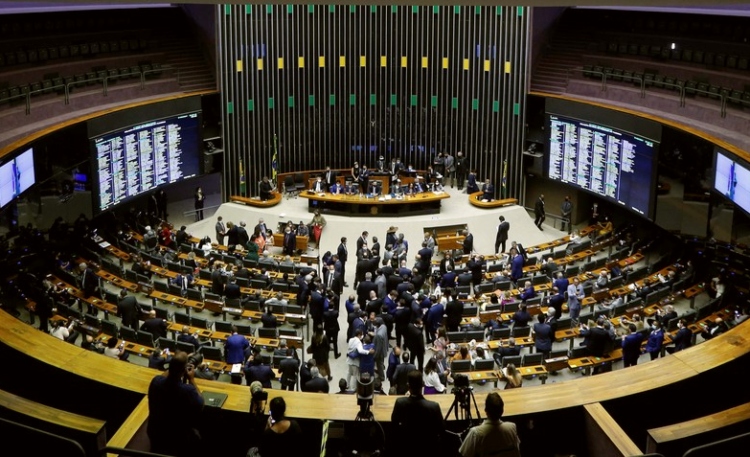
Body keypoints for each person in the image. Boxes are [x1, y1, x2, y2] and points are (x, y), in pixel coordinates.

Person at [147, 352, 203, 456]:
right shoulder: (187, 391)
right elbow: (201, 403)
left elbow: (165, 376)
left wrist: (176, 365)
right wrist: (191, 379)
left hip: (155, 431)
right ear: (183, 370)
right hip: (176, 438)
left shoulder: (155, 381)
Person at [390, 370, 444, 457]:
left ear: (408, 385)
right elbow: (441, 430)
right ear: (423, 384)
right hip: (428, 450)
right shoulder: (434, 407)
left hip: (406, 449)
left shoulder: (400, 403)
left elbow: (394, 425)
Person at [459, 392, 521, 457]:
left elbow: (463, 454)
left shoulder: (475, 433)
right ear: (502, 411)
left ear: (486, 410)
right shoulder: (512, 428)